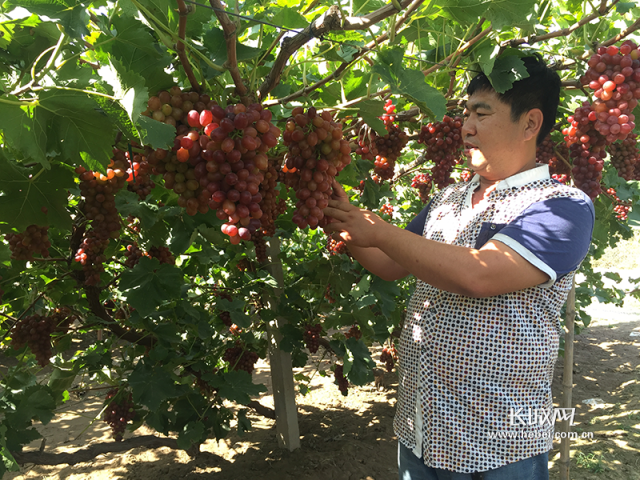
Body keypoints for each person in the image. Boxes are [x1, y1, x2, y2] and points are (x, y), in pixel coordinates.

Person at [323, 55, 595, 480]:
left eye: (481, 114)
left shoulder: (562, 206)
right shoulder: (448, 199)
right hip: (422, 430)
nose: (465, 127)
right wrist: (335, 216)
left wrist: (377, 229)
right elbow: (388, 263)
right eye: (464, 113)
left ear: (530, 124)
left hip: (505, 442)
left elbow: (480, 273)